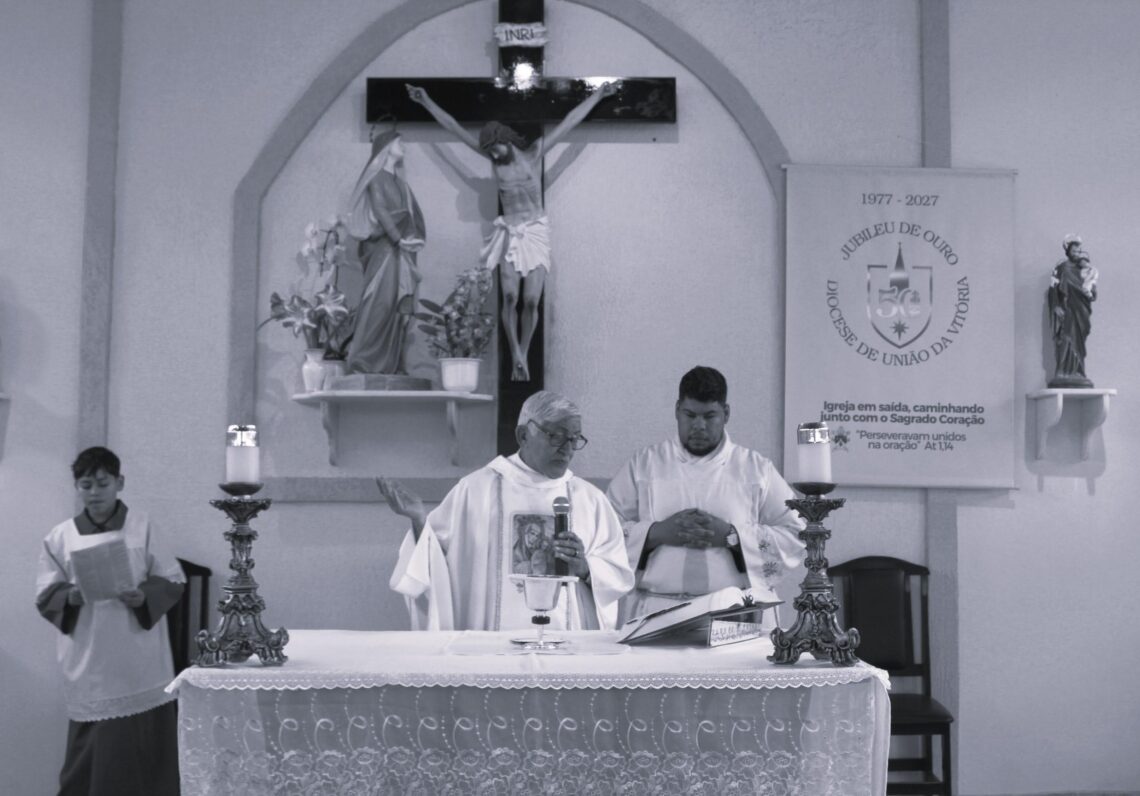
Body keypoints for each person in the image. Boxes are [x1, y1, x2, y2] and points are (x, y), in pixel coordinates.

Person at [405, 81, 618, 381]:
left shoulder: (534, 153)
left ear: (506, 139)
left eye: (495, 148)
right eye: (489, 152)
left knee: (531, 300)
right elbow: (454, 128)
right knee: (508, 297)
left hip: (535, 231)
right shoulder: (495, 162)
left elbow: (570, 121)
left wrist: (598, 95)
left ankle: (524, 351)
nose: (492, 156)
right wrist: (425, 101)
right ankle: (515, 353)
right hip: (509, 231)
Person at [380, 390, 634, 631]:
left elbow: (618, 574)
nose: (567, 448)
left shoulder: (591, 500)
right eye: (556, 436)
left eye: (574, 438)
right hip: (491, 649)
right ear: (523, 435)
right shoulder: (475, 491)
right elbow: (433, 560)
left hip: (568, 648)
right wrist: (418, 519)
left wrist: (585, 568)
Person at [34, 447, 185, 796]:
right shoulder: (59, 538)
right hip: (90, 656)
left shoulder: (142, 527)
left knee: (145, 744)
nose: (94, 492)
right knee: (90, 747)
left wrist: (143, 596)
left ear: (119, 482)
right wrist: (69, 596)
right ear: (77, 488)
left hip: (138, 654)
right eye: (85, 485)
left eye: (102, 483)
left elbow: (173, 579)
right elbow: (45, 594)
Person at [606, 366, 807, 625]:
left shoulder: (755, 469)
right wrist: (656, 533)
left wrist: (732, 537)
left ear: (726, 414)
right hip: (656, 612)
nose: (698, 426)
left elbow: (796, 532)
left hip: (734, 613)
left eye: (709, 416)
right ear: (677, 410)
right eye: (690, 415)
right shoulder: (645, 466)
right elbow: (603, 532)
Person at [344, 129, 426, 375]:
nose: (405, 148)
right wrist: (399, 239)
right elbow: (380, 210)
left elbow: (412, 216)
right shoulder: (376, 178)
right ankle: (362, 362)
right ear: (387, 147)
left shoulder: (401, 184)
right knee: (379, 304)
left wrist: (410, 240)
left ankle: (394, 364)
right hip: (384, 250)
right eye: (400, 142)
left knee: (399, 310)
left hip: (402, 252)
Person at [1047, 234, 1098, 388]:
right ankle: (1062, 371)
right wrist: (1056, 306)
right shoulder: (1061, 268)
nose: (1076, 253)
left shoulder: (1085, 269)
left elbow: (1092, 289)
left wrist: (1091, 292)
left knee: (1080, 341)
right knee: (1066, 338)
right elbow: (1053, 290)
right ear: (1067, 251)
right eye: (1073, 251)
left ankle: (1079, 371)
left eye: (1078, 251)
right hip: (1067, 309)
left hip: (1081, 310)